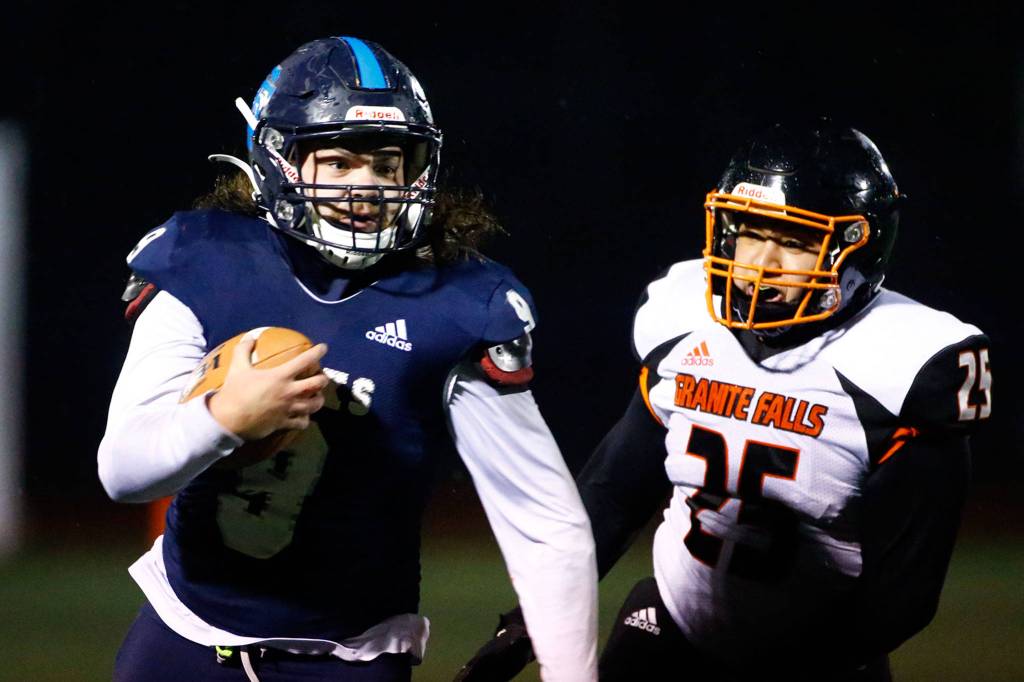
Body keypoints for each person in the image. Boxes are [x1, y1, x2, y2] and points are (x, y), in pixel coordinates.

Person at [98, 37, 597, 682]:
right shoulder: (203, 261)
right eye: (337, 161)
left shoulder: (458, 303)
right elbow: (124, 471)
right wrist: (226, 417)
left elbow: (542, 523)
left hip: (347, 656)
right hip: (184, 637)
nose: (365, 187)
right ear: (278, 160)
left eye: (387, 164)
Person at [456, 122, 992, 681]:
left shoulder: (906, 365)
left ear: (858, 247)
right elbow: (614, 496)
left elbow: (904, 594)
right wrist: (526, 625)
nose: (761, 262)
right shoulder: (687, 321)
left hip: (821, 659)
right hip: (670, 628)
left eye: (794, 240)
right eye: (751, 232)